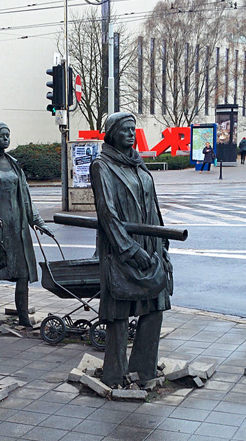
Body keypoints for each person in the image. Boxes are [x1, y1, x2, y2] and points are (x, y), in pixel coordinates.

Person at [90, 112, 173, 388]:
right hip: (121, 251)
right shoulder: (102, 166)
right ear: (111, 133)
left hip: (151, 248)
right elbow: (107, 214)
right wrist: (130, 249)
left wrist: (162, 245)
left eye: (132, 129)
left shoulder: (138, 164)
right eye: (125, 129)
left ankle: (144, 369)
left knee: (156, 307)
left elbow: (154, 205)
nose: (130, 134)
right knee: (118, 315)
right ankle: (115, 373)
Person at [0, 123, 53, 328]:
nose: (6, 139)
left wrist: (38, 222)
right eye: (1, 136)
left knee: (22, 273)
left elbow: (26, 199)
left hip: (18, 229)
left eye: (8, 135)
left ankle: (23, 317)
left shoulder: (14, 164)